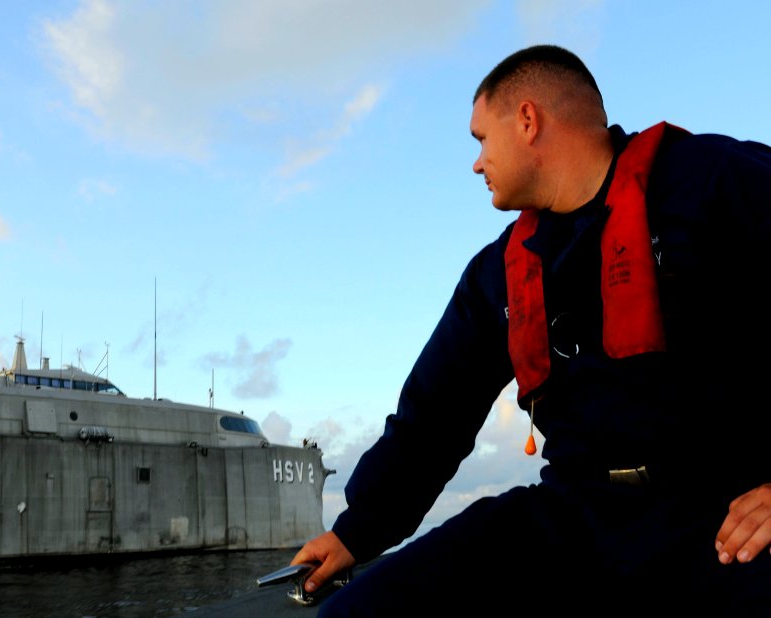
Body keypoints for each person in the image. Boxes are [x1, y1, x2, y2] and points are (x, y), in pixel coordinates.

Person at [291, 44, 771, 615]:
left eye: (480, 139)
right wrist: (355, 533)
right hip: (578, 515)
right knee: (359, 611)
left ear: (526, 121)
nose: (475, 163)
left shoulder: (716, 181)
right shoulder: (498, 275)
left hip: (723, 514)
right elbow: (432, 418)